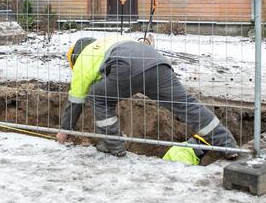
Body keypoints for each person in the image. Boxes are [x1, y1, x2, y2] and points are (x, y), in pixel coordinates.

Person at [56, 35, 238, 158]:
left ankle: (114, 145)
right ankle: (227, 144)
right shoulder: (107, 41)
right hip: (157, 63)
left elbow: (75, 102)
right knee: (186, 105)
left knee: (97, 96)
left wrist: (63, 133)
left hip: (125, 66)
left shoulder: (82, 60)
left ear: (74, 58)